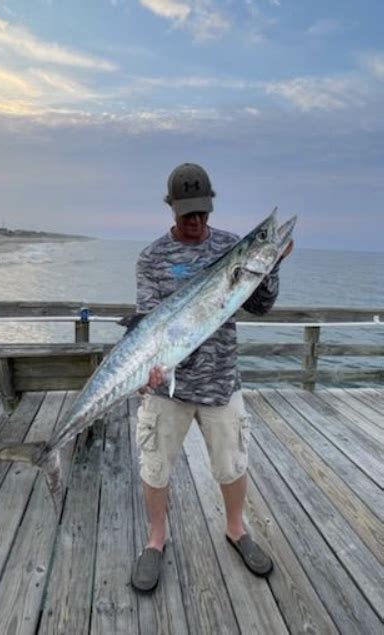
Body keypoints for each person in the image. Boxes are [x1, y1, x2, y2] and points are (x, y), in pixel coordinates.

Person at [130, 163, 293, 593]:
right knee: (155, 466)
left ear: (211, 205)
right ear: (171, 207)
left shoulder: (230, 248)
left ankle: (237, 530)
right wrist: (147, 368)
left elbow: (260, 306)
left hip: (221, 383)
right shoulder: (152, 258)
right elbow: (148, 321)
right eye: (187, 213)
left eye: (202, 211)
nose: (196, 221)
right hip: (167, 388)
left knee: (232, 463)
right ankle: (155, 540)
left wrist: (270, 265)